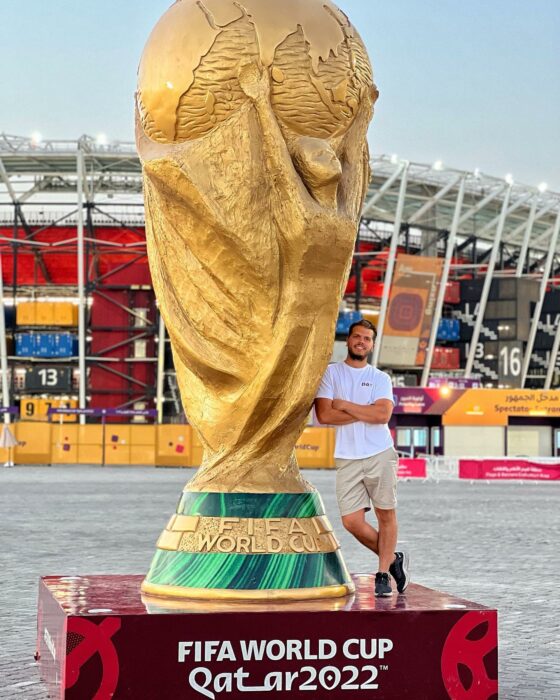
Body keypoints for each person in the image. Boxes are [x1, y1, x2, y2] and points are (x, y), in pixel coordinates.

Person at [314, 319, 410, 597]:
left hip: (379, 452)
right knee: (351, 522)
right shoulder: (331, 374)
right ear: (348, 340)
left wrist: (344, 404)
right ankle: (393, 559)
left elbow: (382, 416)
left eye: (367, 338)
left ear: (372, 344)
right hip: (348, 457)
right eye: (357, 337)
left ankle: (382, 573)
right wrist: (363, 410)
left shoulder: (380, 378)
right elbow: (325, 415)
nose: (361, 342)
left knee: (386, 514)